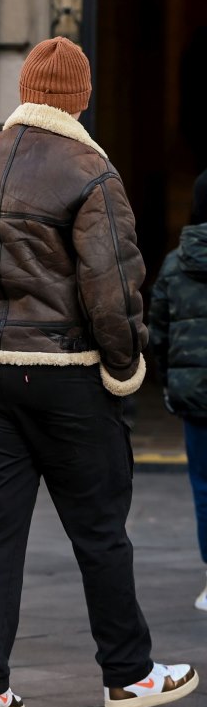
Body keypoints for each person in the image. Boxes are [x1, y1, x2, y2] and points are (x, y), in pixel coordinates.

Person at [0, 36, 199, 707]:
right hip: (68, 372)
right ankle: (129, 675)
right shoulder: (91, 171)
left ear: (25, 92)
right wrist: (123, 366)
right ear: (79, 99)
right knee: (100, 529)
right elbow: (112, 288)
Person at [149, 168, 207, 611]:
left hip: (194, 394)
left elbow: (159, 334)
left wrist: (169, 381)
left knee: (204, 488)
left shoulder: (174, 261)